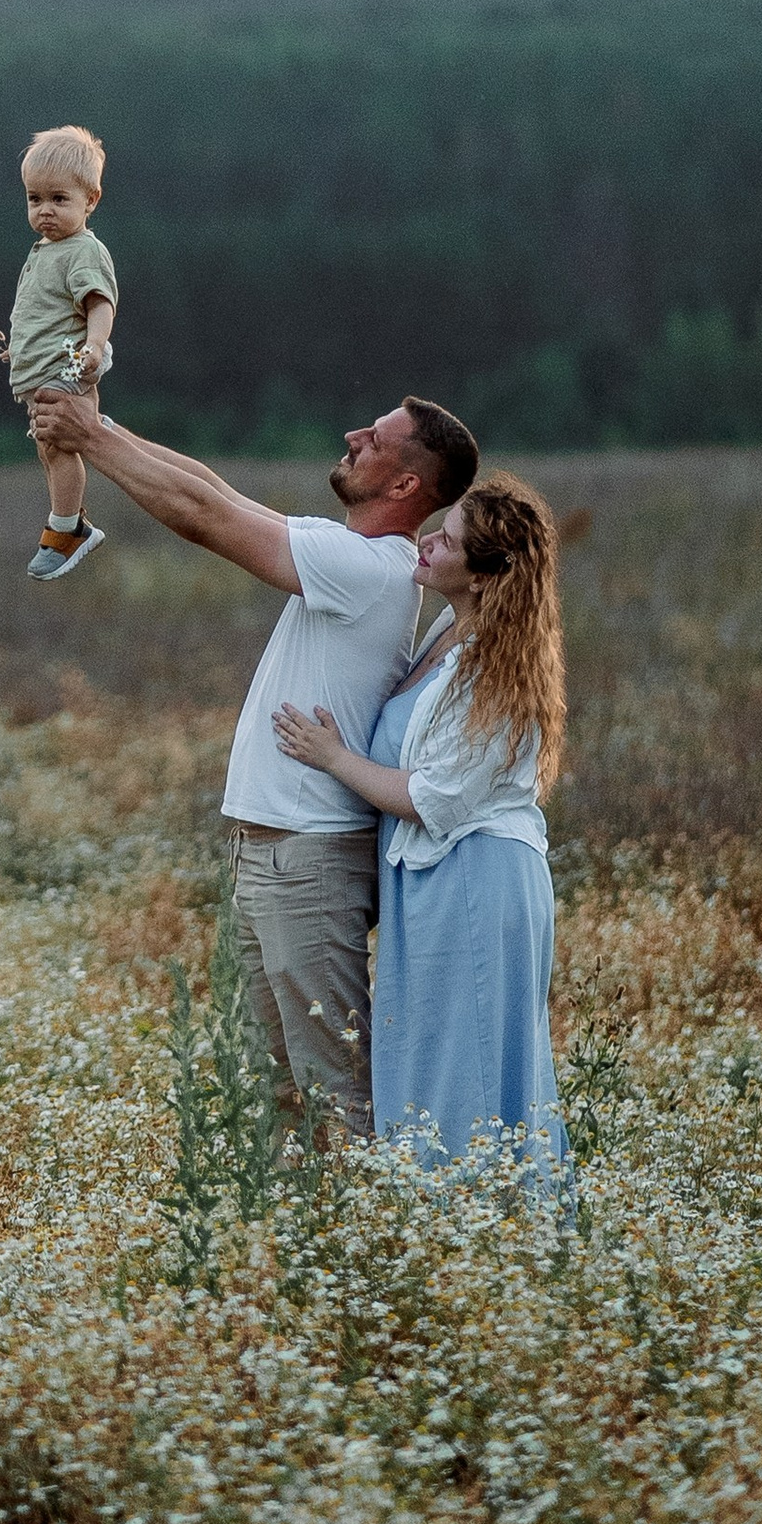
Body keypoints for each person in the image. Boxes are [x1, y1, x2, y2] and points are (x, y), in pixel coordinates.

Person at [22, 377, 479, 1144]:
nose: (351, 438)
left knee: (331, 1090)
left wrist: (92, 441)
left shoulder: (366, 568)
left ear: (405, 484)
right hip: (273, 854)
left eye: (373, 438)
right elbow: (216, 491)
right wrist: (96, 426)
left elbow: (204, 518)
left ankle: (365, 1246)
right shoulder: (354, 555)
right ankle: (285, 1256)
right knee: (275, 1091)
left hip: (307, 862)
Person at [276, 474, 568, 1183]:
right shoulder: (448, 631)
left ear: (484, 573)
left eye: (450, 539)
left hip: (474, 881)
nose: (429, 538)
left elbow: (431, 798)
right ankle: (446, 1232)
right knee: (433, 1055)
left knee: (460, 1065)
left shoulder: (495, 669)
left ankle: (478, 1232)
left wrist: (333, 757)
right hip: (434, 881)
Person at [0, 125, 119, 581]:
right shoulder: (47, 250)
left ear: (91, 200)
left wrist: (94, 346)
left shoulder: (83, 251)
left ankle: (67, 530)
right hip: (43, 369)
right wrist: (20, 353)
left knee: (60, 445)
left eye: (59, 200)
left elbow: (98, 303)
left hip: (69, 367)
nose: (44, 211)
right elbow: (44, 313)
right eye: (34, 199)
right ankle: (68, 521)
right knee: (48, 449)